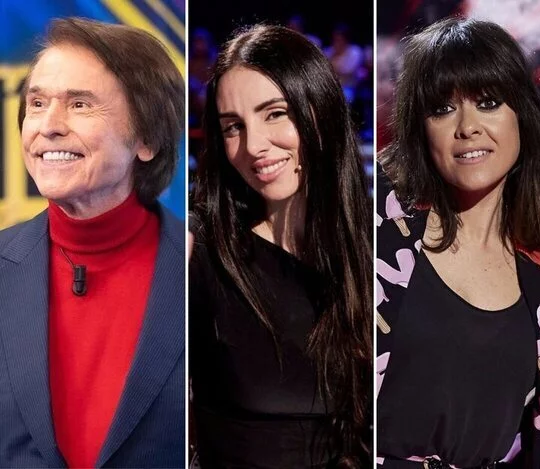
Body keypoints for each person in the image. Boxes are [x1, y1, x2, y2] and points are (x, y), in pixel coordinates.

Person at [376, 17, 540, 468]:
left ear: (521, 114)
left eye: (488, 102)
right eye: (442, 109)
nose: (467, 127)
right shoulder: (377, 228)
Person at [0, 17, 184, 467]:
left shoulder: (201, 267)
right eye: (37, 103)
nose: (48, 125)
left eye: (79, 104)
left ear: (146, 138)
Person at [189, 24, 372, 468]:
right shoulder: (199, 250)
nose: (253, 146)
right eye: (233, 127)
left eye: (274, 114)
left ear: (319, 110)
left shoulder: (374, 247)